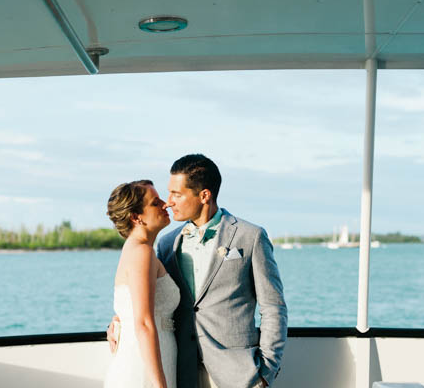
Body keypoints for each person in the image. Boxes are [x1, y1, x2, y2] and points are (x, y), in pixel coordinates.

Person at [109, 154, 287, 388]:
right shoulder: (166, 244)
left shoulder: (251, 236)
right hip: (182, 372)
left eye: (177, 194)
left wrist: (266, 370)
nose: (168, 202)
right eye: (167, 193)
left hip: (239, 375)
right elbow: (149, 298)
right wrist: (121, 320)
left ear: (204, 195)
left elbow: (273, 306)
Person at [104, 180, 180, 388]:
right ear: (136, 217)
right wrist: (160, 385)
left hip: (152, 357)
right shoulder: (142, 253)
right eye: (155, 203)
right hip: (143, 367)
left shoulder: (139, 250)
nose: (166, 204)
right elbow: (144, 323)